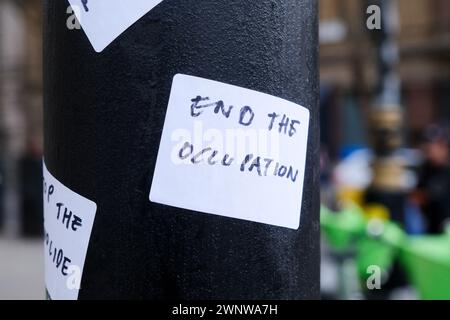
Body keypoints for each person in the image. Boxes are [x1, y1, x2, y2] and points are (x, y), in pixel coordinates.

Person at [412, 124, 450, 234]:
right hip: (431, 230)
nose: (428, 151)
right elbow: (417, 197)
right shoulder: (425, 170)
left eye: (432, 147)